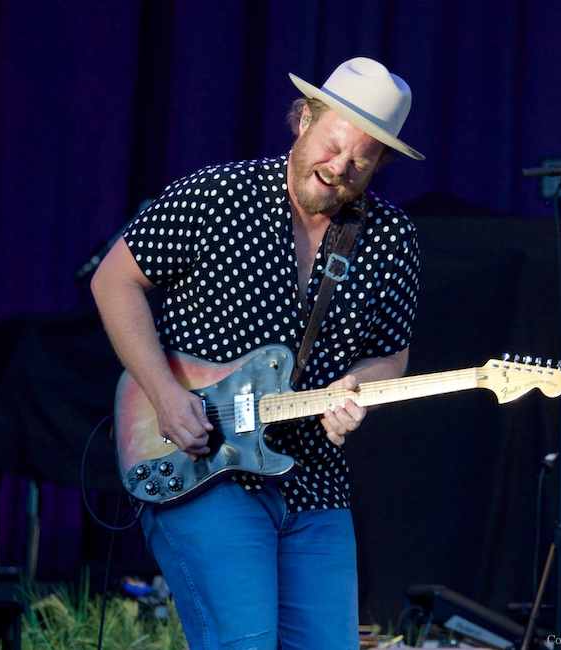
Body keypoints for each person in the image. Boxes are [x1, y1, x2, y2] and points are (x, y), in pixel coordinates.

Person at [90, 57, 423, 649]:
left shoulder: (392, 238)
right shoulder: (218, 195)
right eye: (333, 144)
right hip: (204, 467)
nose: (339, 168)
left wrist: (357, 386)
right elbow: (114, 280)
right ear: (304, 120)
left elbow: (390, 355)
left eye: (361, 159)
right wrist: (165, 395)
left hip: (316, 481)